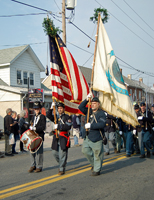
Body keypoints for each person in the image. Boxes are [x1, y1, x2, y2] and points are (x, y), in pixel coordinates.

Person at [78, 94, 106, 176]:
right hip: (87, 136)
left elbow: (102, 124)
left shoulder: (101, 113)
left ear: (98, 104)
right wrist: (86, 100)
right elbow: (80, 107)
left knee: (97, 154)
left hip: (97, 137)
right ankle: (94, 164)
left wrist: (91, 125)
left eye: (94, 103)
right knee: (85, 151)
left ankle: (97, 170)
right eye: (92, 103)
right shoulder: (88, 111)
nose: (92, 104)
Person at [46, 102, 72, 175]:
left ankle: (61, 168)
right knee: (54, 152)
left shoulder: (67, 117)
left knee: (62, 153)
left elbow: (68, 126)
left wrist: (59, 127)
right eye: (58, 108)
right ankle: (62, 163)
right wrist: (51, 108)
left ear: (63, 109)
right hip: (56, 137)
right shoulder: (55, 116)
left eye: (61, 108)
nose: (59, 110)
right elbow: (48, 115)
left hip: (63, 137)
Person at [28, 101, 46, 173]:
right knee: (31, 150)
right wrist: (30, 127)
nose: (36, 110)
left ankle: (39, 166)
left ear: (40, 109)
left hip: (39, 136)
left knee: (39, 152)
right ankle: (33, 165)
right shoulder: (33, 117)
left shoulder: (42, 117)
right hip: (33, 136)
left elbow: (43, 127)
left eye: (38, 109)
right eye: (35, 109)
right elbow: (32, 124)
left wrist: (35, 128)